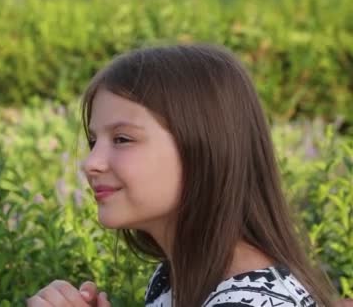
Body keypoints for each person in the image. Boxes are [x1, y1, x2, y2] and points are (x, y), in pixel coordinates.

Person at [26, 44, 349, 306]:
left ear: (204, 149)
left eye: (122, 139)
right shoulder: (178, 277)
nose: (91, 163)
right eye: (94, 141)